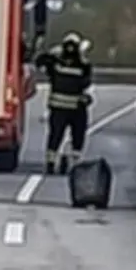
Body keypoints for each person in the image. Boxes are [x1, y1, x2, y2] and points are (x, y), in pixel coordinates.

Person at [34, 32, 94, 174]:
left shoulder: (55, 63)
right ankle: (73, 163)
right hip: (76, 109)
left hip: (59, 108)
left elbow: (39, 62)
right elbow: (87, 85)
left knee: (56, 135)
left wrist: (50, 54)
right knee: (77, 136)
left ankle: (51, 162)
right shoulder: (83, 65)